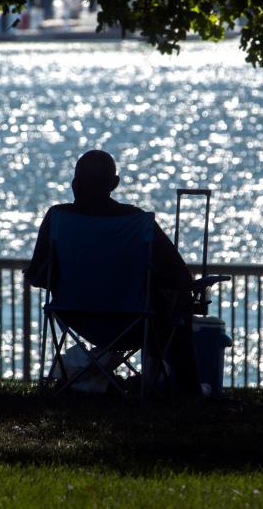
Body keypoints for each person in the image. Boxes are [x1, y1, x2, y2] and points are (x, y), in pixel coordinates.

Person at [26, 149, 201, 396]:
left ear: (74, 183)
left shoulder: (58, 218)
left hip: (74, 315)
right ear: (114, 184)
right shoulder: (137, 222)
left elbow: (36, 277)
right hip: (133, 321)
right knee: (173, 309)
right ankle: (185, 390)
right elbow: (180, 276)